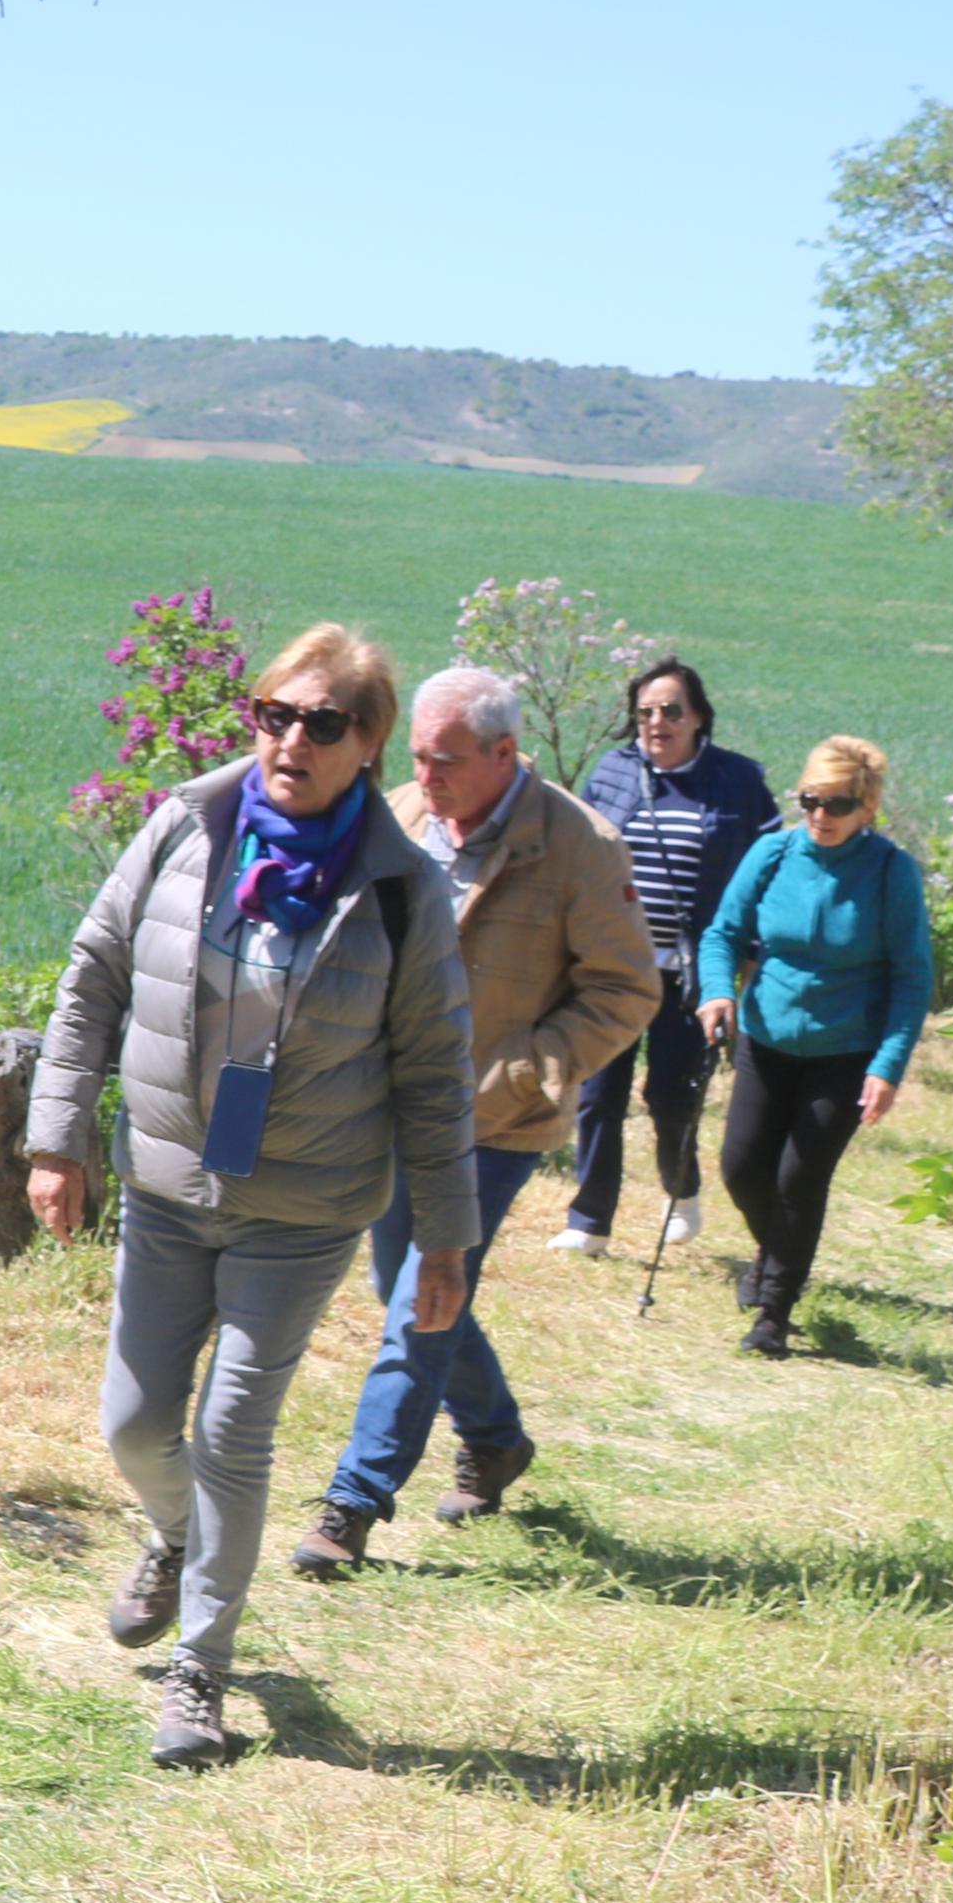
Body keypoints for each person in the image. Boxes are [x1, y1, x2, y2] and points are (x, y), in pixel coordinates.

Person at [27, 625, 477, 1769]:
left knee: (232, 1425)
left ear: (368, 744)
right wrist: (57, 1136)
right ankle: (174, 1536)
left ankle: (198, 1671)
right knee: (131, 1423)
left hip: (305, 1205)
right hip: (171, 1182)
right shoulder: (183, 830)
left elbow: (431, 1074)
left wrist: (443, 1236)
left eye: (321, 723)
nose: (289, 739)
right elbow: (94, 977)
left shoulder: (399, 890)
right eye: (272, 713)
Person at [291, 666, 655, 1572]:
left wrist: (528, 1068)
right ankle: (494, 1438)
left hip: (494, 1121)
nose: (428, 774)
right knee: (402, 1288)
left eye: (446, 760)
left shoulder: (579, 844)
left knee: (421, 1298)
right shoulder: (404, 815)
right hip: (389, 1105)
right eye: (415, 755)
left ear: (504, 753)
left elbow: (627, 988)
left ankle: (352, 1501)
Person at [700, 736, 934, 1358]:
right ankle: (775, 1254)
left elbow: (913, 976)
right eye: (810, 801)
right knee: (743, 1169)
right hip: (766, 1038)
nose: (821, 817)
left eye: (838, 804)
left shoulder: (890, 872)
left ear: (868, 808)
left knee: (799, 1178)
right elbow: (723, 933)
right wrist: (717, 992)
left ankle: (773, 1311)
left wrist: (888, 1065)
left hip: (845, 1051)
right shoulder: (772, 854)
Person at [564, 660, 778, 1254]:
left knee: (671, 1095)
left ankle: (681, 1191)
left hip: (692, 973)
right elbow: (577, 854)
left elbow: (768, 873)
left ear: (699, 717)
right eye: (646, 713)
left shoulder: (738, 781)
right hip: (614, 963)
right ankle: (589, 1222)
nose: (658, 722)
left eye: (671, 711)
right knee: (598, 1092)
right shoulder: (612, 774)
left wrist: (750, 961)